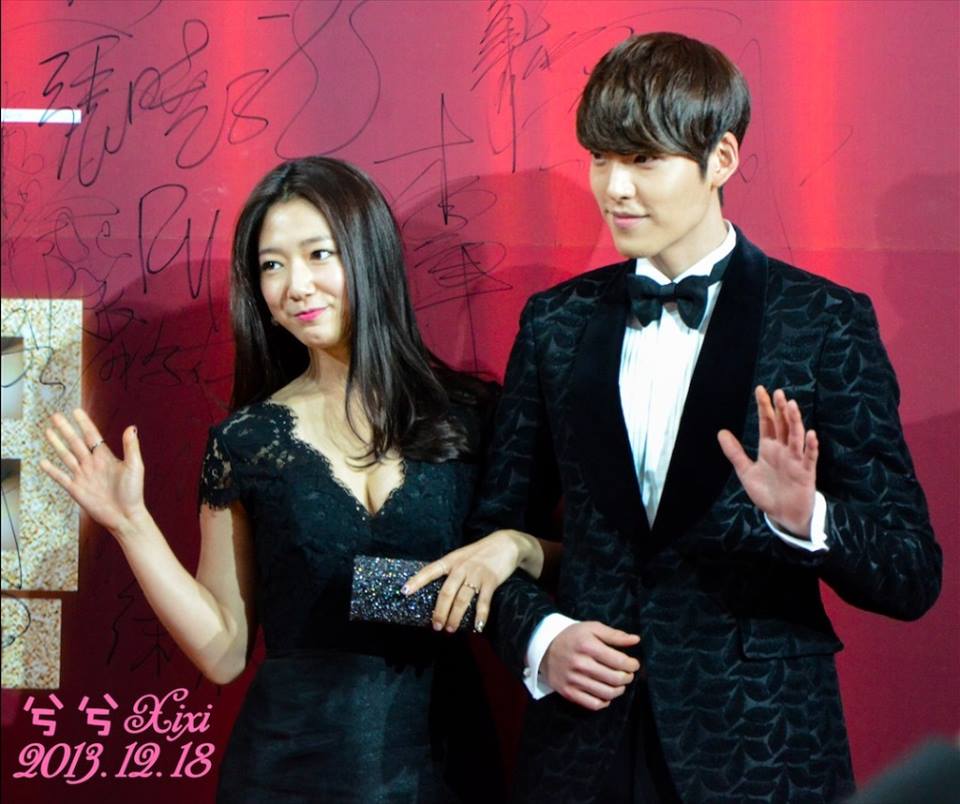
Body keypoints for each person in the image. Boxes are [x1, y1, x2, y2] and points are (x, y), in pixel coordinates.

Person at [470, 32, 943, 803]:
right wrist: (542, 637)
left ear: (720, 158)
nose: (615, 188)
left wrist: (808, 519)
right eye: (600, 159)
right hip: (584, 749)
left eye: (643, 159)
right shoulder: (555, 322)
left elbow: (911, 573)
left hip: (762, 748)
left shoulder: (823, 321)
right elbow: (494, 529)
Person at [39, 156, 552, 803]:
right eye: (272, 266)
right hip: (288, 771)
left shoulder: (473, 415)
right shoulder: (247, 442)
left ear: (368, 254)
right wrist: (131, 525)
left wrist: (511, 547)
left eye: (317, 254)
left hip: (445, 761)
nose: (296, 286)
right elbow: (224, 651)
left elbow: (572, 564)